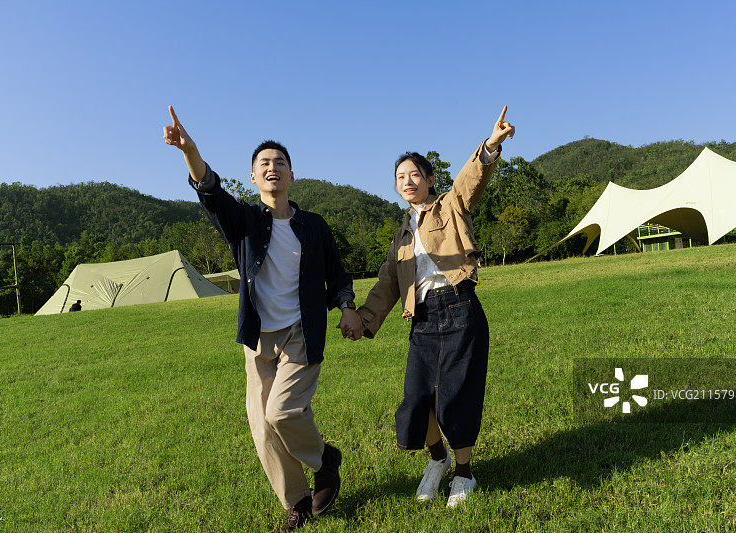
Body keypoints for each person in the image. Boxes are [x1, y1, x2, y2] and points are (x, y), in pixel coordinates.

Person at [163, 106, 362, 532]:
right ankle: (297, 499)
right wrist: (190, 150)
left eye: (280, 163)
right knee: (262, 427)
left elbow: (337, 274)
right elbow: (211, 191)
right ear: (253, 178)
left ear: (291, 175)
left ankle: (326, 460)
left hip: (301, 331)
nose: (273, 168)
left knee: (283, 413)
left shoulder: (313, 226)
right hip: (258, 338)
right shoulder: (247, 222)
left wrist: (346, 305)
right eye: (264, 164)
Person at [343, 106, 515, 508]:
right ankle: (437, 461)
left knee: (456, 396)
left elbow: (472, 181)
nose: (408, 181)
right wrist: (363, 321)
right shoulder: (401, 236)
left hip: (459, 308)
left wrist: (489, 146)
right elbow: (387, 284)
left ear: (429, 179)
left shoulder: (450, 206)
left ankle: (465, 473)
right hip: (422, 319)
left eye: (414, 175)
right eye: (400, 177)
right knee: (418, 399)